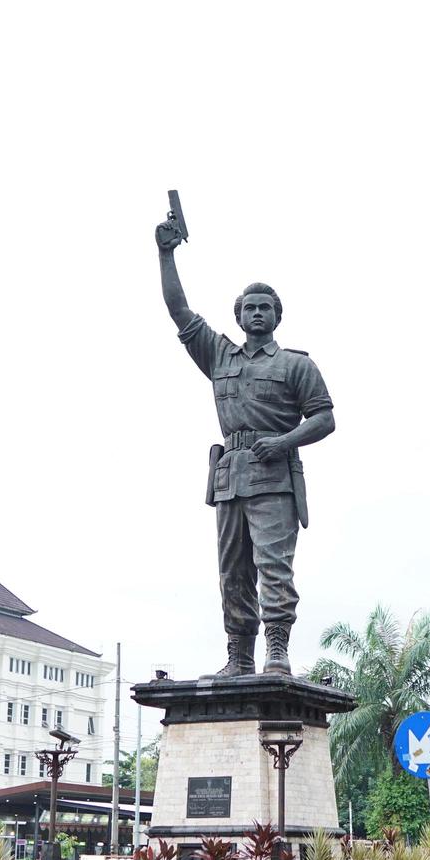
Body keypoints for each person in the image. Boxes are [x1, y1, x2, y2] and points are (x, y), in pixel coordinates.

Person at [157, 211, 336, 677]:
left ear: (277, 316)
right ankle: (239, 657)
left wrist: (284, 442)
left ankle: (277, 651)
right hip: (228, 477)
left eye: (265, 308)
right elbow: (180, 311)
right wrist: (166, 253)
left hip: (274, 476)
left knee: (273, 568)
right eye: (249, 308)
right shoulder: (219, 354)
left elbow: (324, 418)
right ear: (237, 316)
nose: (257, 313)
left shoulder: (297, 365)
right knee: (233, 572)